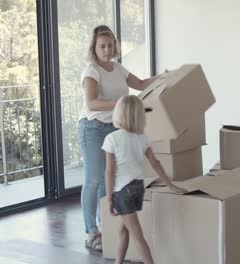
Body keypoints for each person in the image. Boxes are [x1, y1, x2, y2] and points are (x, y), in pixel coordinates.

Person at [78, 25, 163, 250]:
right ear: (94, 48)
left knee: (109, 183)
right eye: (102, 46)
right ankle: (91, 232)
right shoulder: (91, 71)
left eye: (110, 45)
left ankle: (105, 228)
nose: (107, 50)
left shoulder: (118, 69)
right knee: (93, 180)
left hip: (115, 129)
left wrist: (163, 77)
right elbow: (92, 103)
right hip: (93, 129)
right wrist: (121, 103)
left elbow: (142, 84)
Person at [102, 95, 186, 264]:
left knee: (137, 235)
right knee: (123, 230)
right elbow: (155, 163)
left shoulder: (112, 139)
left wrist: (110, 198)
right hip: (138, 188)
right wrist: (170, 184)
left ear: (118, 113)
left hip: (122, 192)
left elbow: (110, 172)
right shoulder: (142, 138)